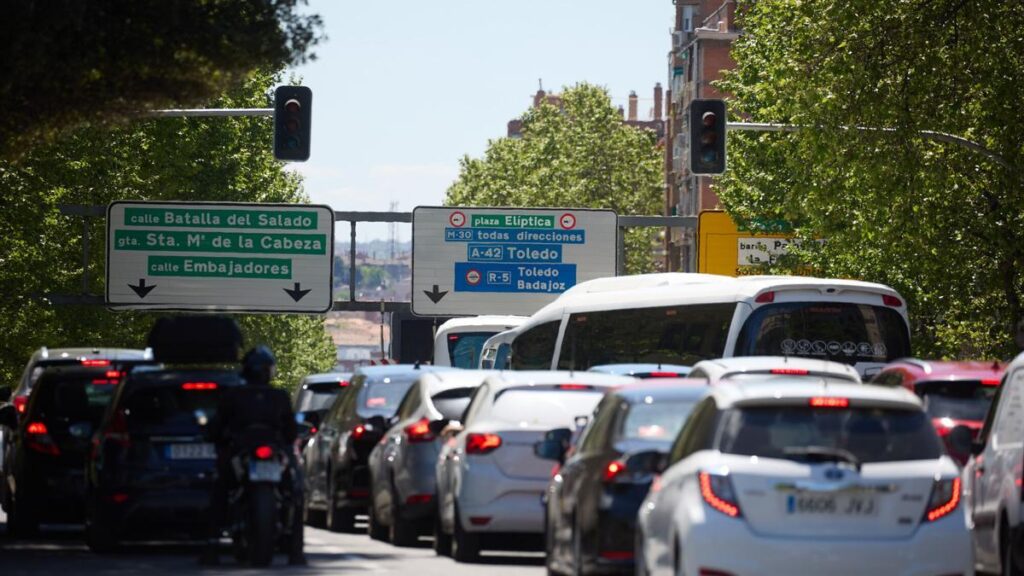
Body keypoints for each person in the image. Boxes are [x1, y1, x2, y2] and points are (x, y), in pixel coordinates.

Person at [200, 345, 306, 566]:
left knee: (220, 489)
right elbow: (291, 431)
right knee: (294, 494)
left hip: (243, 450)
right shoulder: (279, 396)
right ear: (269, 371)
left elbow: (217, 427)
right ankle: (296, 550)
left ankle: (211, 545)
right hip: (270, 450)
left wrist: (212, 435)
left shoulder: (233, 395)